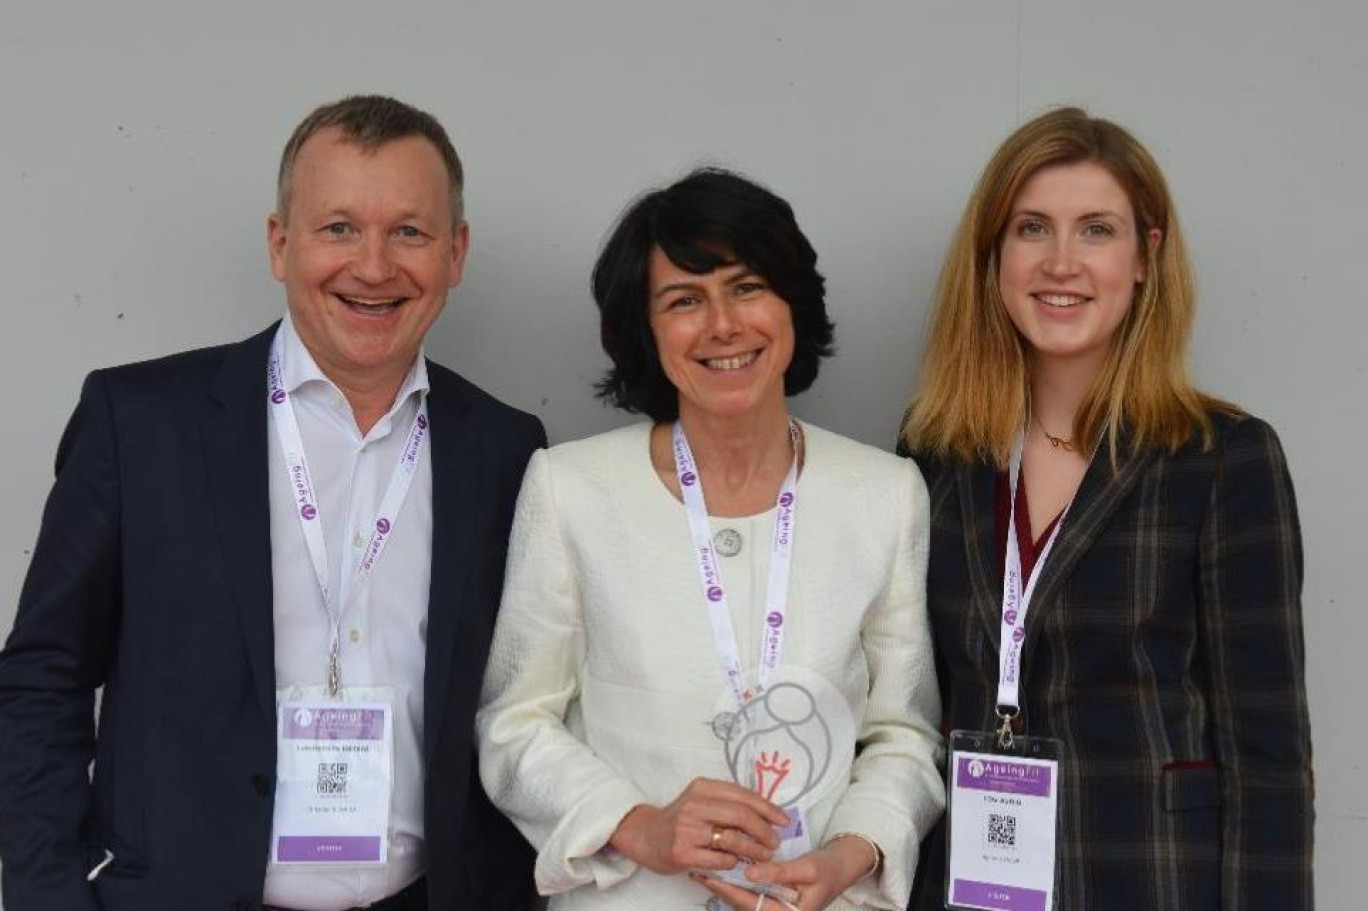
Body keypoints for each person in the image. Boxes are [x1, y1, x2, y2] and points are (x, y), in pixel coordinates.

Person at [0, 95, 545, 911]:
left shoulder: (505, 448)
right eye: (337, 228)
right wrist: (49, 897)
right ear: (278, 243)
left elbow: (520, 704)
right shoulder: (140, 422)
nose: (373, 265)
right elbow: (43, 677)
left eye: (409, 231)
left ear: (456, 252)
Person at [476, 168, 944, 911]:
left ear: (793, 304)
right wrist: (637, 825)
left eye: (748, 286)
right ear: (646, 329)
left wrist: (846, 858)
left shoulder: (885, 495)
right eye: (685, 300)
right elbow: (514, 723)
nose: (723, 324)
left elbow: (904, 736)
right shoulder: (571, 489)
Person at [900, 108, 1314, 910]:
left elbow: (1268, 754)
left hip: (1151, 877)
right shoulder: (934, 453)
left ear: (1145, 258)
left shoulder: (1224, 457)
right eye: (1031, 229)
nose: (1062, 262)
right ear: (992, 258)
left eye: (1096, 229)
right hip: (969, 884)